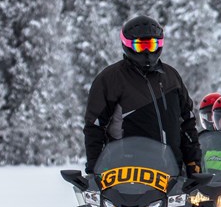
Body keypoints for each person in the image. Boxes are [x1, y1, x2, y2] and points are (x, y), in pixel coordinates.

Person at [84, 15, 201, 175]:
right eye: (140, 46)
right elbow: (94, 128)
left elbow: (187, 121)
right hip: (127, 174)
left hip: (173, 173)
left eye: (152, 45)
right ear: (127, 45)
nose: (147, 51)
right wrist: (94, 170)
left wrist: (193, 162)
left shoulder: (171, 77)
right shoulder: (110, 79)